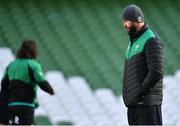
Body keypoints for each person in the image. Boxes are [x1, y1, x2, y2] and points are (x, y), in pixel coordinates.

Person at [121, 4, 164, 125]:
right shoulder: (133, 43)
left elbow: (156, 71)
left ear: (138, 20)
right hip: (135, 106)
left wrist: (140, 92)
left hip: (147, 106)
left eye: (127, 21)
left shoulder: (151, 40)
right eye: (123, 22)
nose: (125, 25)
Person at [0, 40, 55, 125]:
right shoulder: (33, 65)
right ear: (33, 51)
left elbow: (4, 86)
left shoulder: (11, 65)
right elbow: (42, 83)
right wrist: (51, 91)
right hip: (25, 105)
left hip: (12, 104)